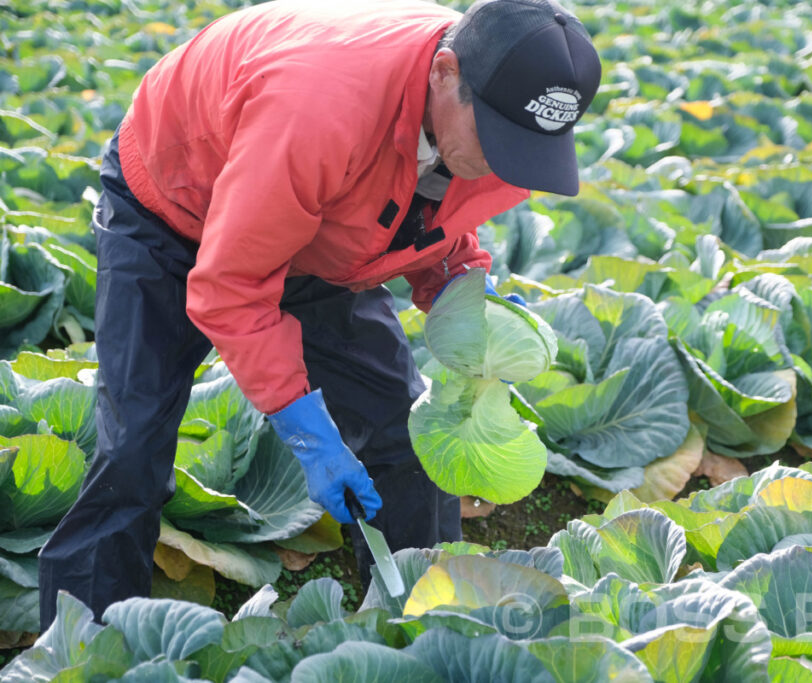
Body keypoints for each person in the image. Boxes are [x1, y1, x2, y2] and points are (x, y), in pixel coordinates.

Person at [36, 0, 600, 629]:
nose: (503, 161)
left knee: (401, 430)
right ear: (444, 72)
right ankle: (83, 649)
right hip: (173, 205)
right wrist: (306, 428)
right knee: (135, 447)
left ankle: (420, 621)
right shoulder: (320, 108)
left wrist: (457, 288)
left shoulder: (485, 101)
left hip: (317, 225)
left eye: (524, 149)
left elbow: (424, 209)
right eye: (498, 138)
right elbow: (232, 284)